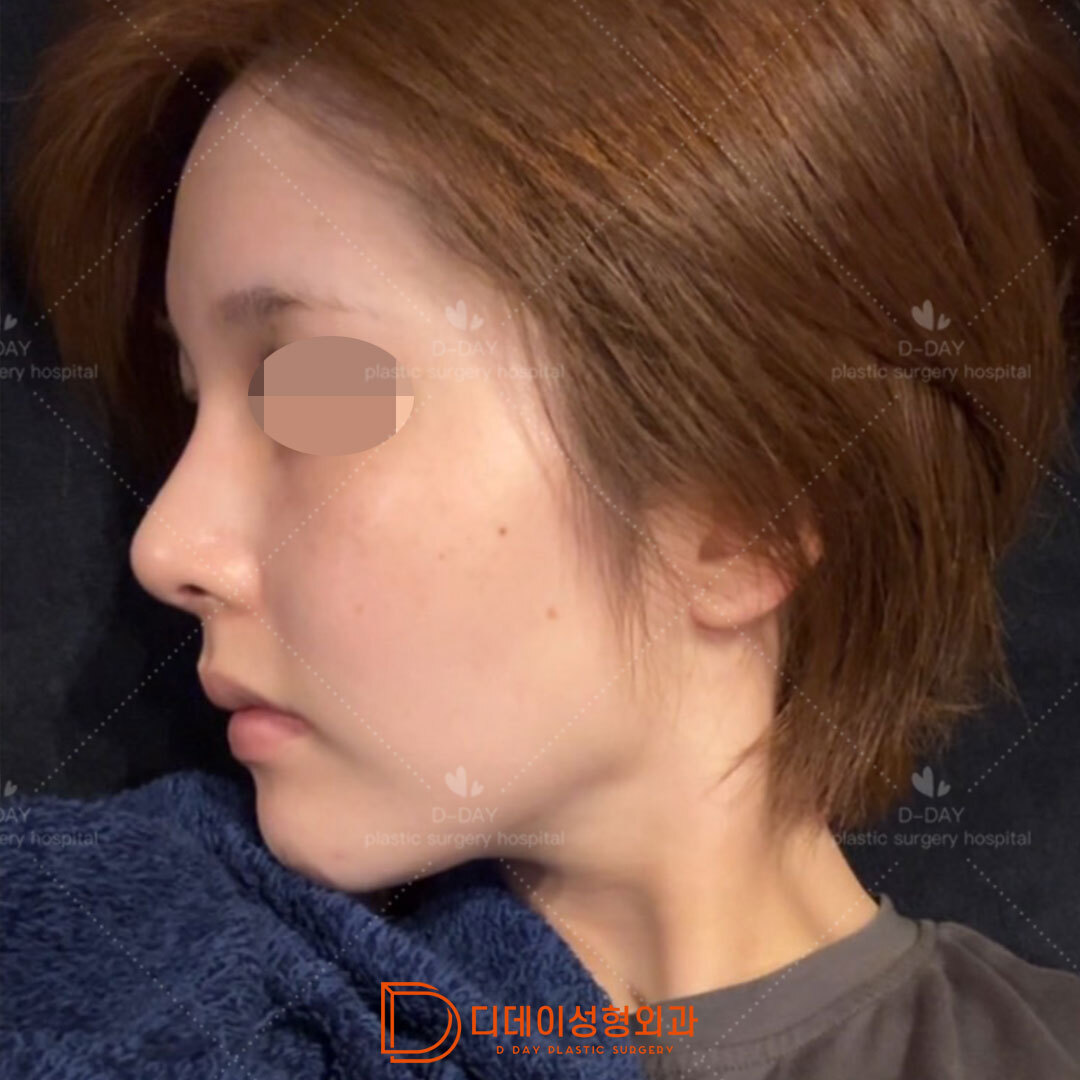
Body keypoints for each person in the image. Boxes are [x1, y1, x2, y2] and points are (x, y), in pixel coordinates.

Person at [6, 0, 1080, 1076]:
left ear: (736, 517)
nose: (167, 546)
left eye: (308, 395)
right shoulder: (143, 981)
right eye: (190, 404)